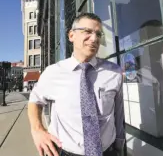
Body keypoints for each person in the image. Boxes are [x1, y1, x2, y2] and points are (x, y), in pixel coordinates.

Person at [28, 13, 125, 156]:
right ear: (71, 36)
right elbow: (35, 100)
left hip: (108, 152)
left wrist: (120, 146)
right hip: (65, 152)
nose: (94, 39)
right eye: (87, 32)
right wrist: (37, 130)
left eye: (98, 34)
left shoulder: (114, 72)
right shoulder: (53, 73)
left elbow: (118, 113)